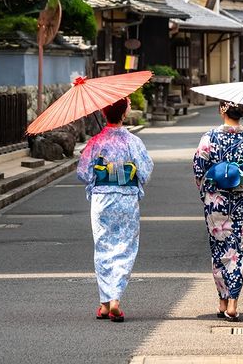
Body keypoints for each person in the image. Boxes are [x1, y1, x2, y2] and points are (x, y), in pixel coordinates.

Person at [192, 100, 243, 321]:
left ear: (222, 110)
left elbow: (199, 170)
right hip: (241, 203)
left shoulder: (209, 138)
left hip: (215, 202)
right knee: (238, 250)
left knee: (218, 249)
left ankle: (222, 300)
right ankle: (233, 303)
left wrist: (207, 193)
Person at [77, 96, 153, 322]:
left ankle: (104, 303)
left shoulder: (95, 142)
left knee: (103, 247)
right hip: (127, 198)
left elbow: (83, 172)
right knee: (124, 246)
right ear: (124, 114)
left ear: (103, 114)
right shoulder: (133, 142)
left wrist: (100, 174)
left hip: (102, 199)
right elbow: (145, 171)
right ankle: (115, 300)